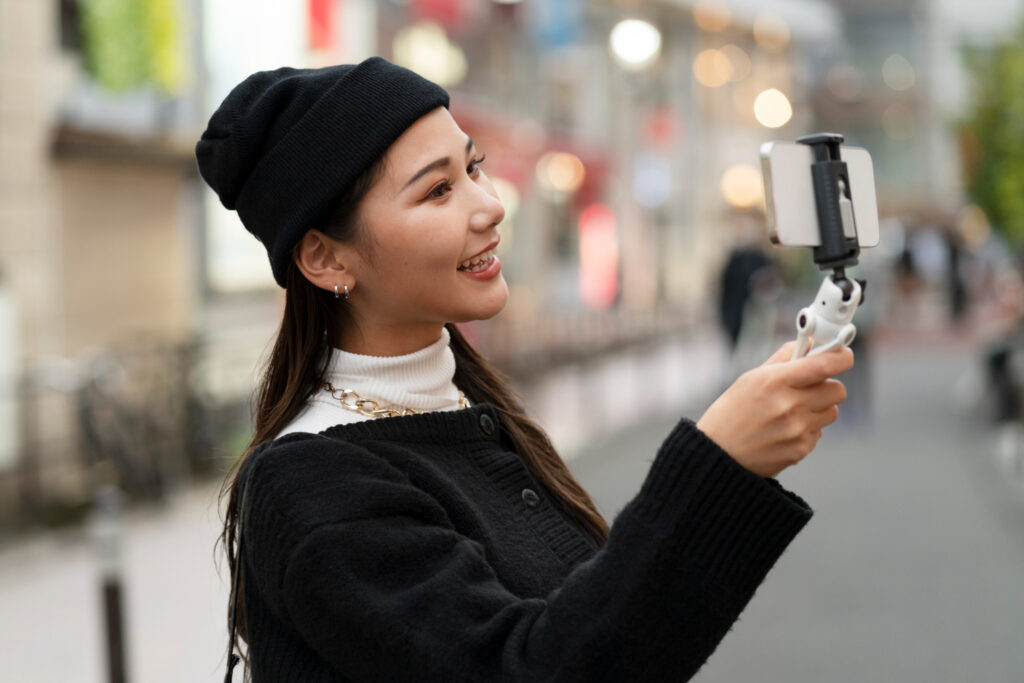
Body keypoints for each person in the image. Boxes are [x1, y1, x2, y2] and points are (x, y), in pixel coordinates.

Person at [196, 58, 853, 682]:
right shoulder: (311, 483)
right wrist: (721, 465)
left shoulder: (463, 405)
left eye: (474, 168)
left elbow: (593, 629)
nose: (489, 205)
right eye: (438, 190)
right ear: (326, 260)